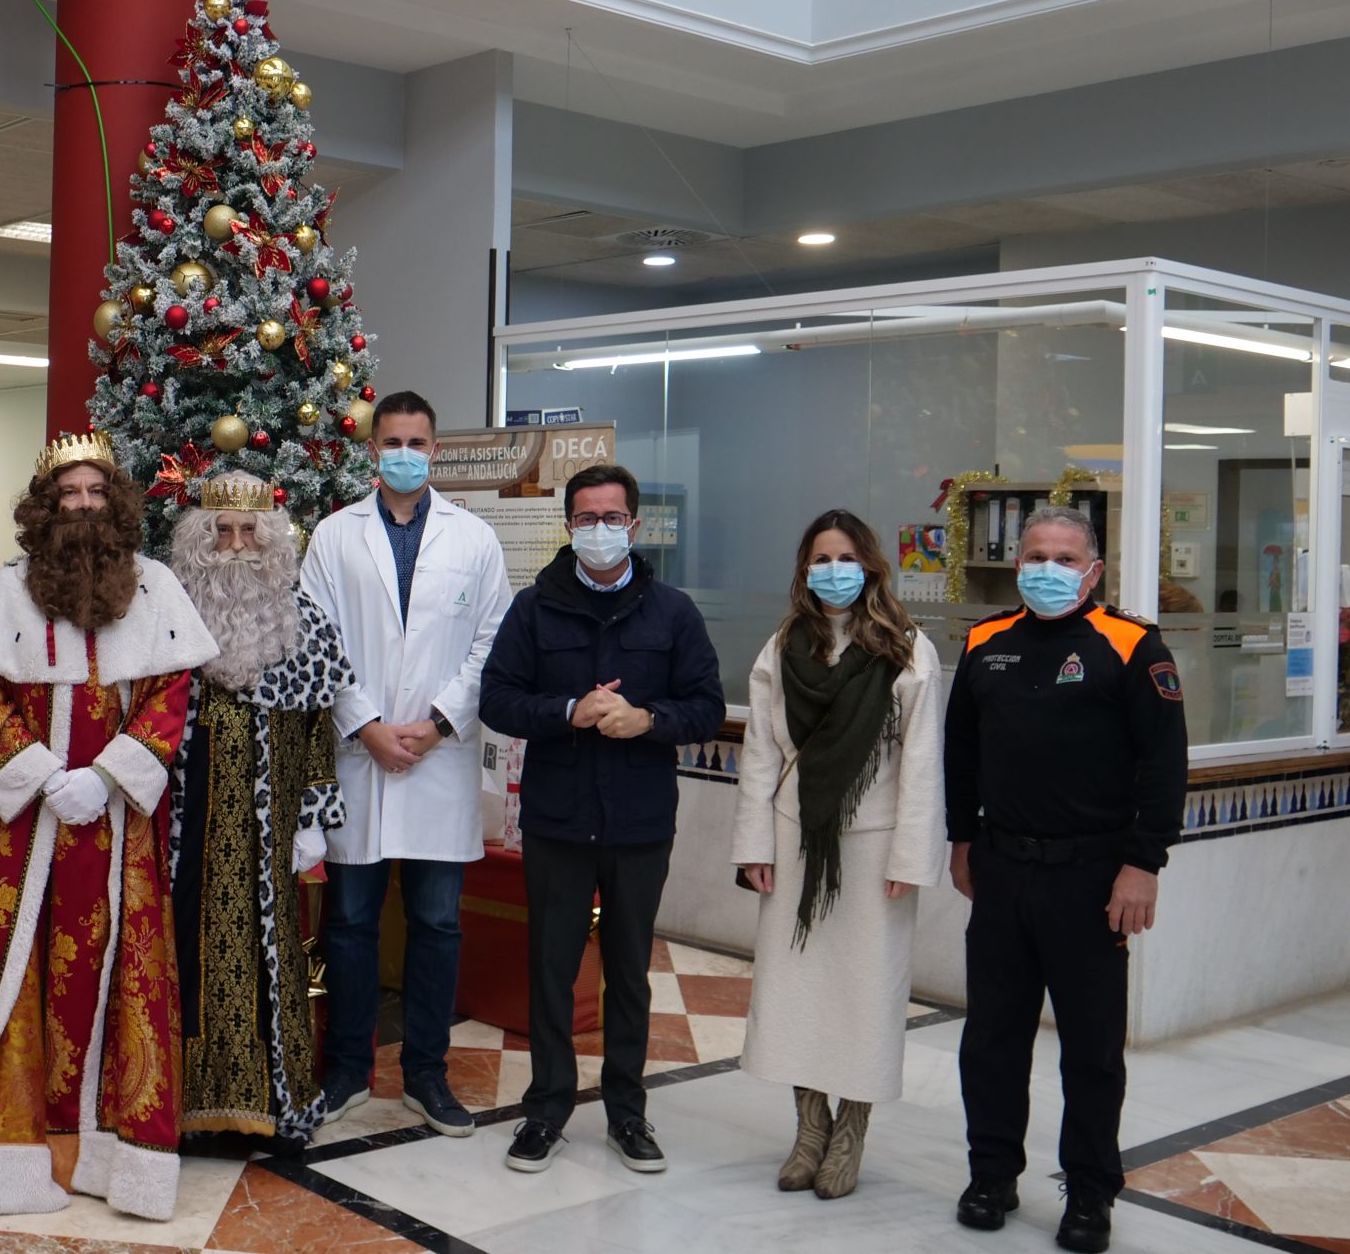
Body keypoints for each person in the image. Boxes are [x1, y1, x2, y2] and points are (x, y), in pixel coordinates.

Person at [0, 432, 216, 1221]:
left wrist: (108, 777)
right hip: (26, 832)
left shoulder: (154, 589)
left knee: (122, 978)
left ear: (114, 502)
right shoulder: (1, 595)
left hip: (119, 826)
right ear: (44, 507)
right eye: (67, 494)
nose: (81, 506)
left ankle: (112, 1157)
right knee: (18, 978)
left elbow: (169, 692)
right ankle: (13, 1158)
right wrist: (44, 777)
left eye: (94, 492)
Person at [947, 505, 1187, 1254]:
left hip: (1092, 878)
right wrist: (961, 840)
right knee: (991, 1038)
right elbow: (960, 750)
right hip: (1002, 867)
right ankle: (991, 1175)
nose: (1046, 569)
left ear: (1093, 571)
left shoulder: (1132, 643)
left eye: (1062, 557)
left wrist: (1144, 863)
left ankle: (1089, 1192)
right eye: (1034, 555)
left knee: (1089, 1048)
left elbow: (1164, 763)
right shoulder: (986, 642)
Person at [477, 463, 722, 1175]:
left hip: (641, 822)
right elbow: (497, 699)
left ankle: (627, 1111)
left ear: (635, 526)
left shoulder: (673, 612)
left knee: (628, 970)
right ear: (569, 527)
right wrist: (567, 712)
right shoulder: (534, 608)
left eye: (613, 518)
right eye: (586, 519)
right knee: (550, 968)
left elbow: (705, 706)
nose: (600, 531)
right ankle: (546, 1109)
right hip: (558, 820)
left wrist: (646, 719)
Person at [299, 390, 510, 1137]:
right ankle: (348, 1071)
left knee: (436, 923)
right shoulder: (333, 536)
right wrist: (365, 725)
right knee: (351, 923)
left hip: (439, 756)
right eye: (392, 441)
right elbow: (316, 636)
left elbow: (492, 641)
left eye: (417, 441)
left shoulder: (474, 539)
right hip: (362, 755)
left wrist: (437, 722)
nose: (405, 453)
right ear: (372, 449)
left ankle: (426, 1073)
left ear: (436, 450)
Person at [731, 509, 944, 1199]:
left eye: (845, 557)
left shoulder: (906, 648)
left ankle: (850, 1134)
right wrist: (754, 845)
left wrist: (910, 858)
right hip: (795, 841)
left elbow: (922, 762)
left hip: (874, 847)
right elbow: (761, 752)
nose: (833, 571)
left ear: (871, 565)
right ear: (804, 570)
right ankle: (808, 1131)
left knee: (864, 994)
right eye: (820, 559)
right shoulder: (785, 645)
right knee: (795, 991)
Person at [165, 471, 355, 1149]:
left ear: (271, 542)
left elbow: (315, 727)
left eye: (250, 532)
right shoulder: (167, 612)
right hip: (183, 831)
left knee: (273, 956)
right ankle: (180, 1107)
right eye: (223, 533)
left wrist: (312, 816)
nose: (237, 546)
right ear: (200, 540)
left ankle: (273, 1104)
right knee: (178, 949)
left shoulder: (300, 618)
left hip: (270, 829)